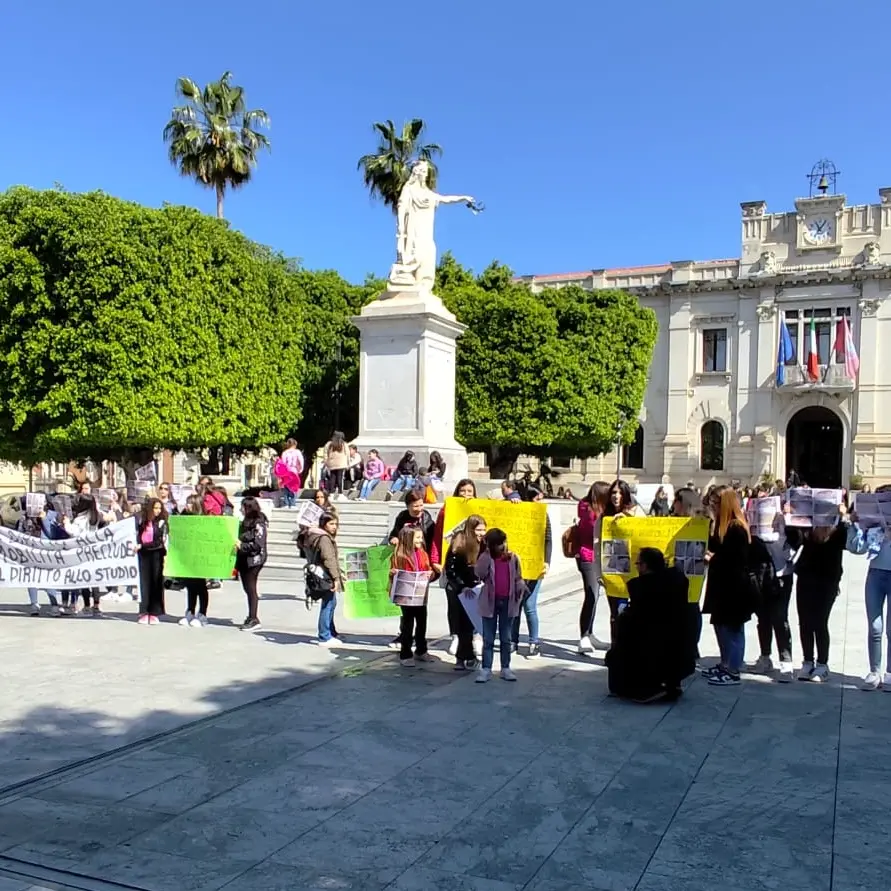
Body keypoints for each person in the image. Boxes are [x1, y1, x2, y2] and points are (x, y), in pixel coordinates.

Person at [605, 548, 692, 702]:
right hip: (678, 642)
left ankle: (642, 689)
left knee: (621, 643)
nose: (636, 567)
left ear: (645, 566)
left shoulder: (642, 586)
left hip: (653, 643)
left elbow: (638, 618)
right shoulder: (677, 579)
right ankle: (672, 683)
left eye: (638, 563)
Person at [701, 489, 755, 686]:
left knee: (732, 628)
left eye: (716, 503)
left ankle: (733, 669)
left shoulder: (736, 528)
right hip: (721, 585)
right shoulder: (721, 526)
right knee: (720, 625)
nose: (713, 506)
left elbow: (736, 560)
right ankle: (725, 663)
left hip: (734, 587)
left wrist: (713, 558)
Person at [794, 505, 849, 682]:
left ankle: (822, 664)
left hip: (827, 581)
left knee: (819, 621)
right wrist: (791, 517)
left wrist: (844, 518)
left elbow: (847, 542)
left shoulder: (838, 530)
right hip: (805, 577)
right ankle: (807, 661)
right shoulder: (808, 528)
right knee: (804, 622)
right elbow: (795, 540)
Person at [846, 490, 891, 690]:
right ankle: (875, 671)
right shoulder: (874, 527)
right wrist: (854, 524)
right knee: (875, 627)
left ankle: (889, 672)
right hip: (875, 575)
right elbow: (856, 548)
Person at [430, 478, 477, 656]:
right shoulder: (446, 510)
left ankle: (474, 636)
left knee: (474, 602)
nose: (466, 495)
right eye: (462, 491)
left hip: (472, 565)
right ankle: (455, 635)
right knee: (453, 602)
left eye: (469, 492)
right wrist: (436, 558)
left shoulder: (479, 510)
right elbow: (438, 535)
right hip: (451, 563)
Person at [752, 493, 796, 681]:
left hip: (781, 574)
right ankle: (765, 656)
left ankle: (786, 661)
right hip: (762, 573)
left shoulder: (789, 523)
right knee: (763, 617)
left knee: (780, 617)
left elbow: (797, 543)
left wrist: (787, 520)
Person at [474, 528, 526, 683]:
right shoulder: (486, 557)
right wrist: (485, 555)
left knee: (506, 637)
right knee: (488, 638)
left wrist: (520, 587)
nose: (502, 546)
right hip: (490, 601)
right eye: (498, 544)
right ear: (490, 545)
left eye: (503, 542)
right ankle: (486, 668)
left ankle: (505, 667)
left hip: (508, 602)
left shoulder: (513, 558)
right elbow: (479, 574)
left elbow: (518, 576)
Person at [601, 479, 647, 638]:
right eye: (613, 493)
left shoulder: (637, 512)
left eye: (620, 493)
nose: (616, 496)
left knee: (637, 613)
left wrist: (628, 518)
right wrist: (598, 573)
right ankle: (617, 649)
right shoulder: (605, 517)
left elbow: (646, 534)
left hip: (636, 571)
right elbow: (596, 544)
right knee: (617, 613)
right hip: (613, 571)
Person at [444, 515, 486, 671]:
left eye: (483, 529)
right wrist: (462, 587)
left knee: (470, 625)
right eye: (478, 530)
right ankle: (464, 658)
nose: (481, 533)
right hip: (460, 590)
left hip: (475, 588)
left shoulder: (482, 544)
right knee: (463, 625)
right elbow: (451, 569)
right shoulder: (460, 541)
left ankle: (465, 658)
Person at [510, 504, 551, 658]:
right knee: (515, 605)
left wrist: (547, 561)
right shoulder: (518, 510)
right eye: (535, 498)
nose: (539, 501)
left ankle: (534, 642)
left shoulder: (542, 514)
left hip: (534, 566)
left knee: (529, 605)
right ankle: (512, 640)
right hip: (517, 567)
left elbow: (548, 540)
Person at [391, 525, 434, 666]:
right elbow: (393, 573)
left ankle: (421, 650)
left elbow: (428, 569)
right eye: (417, 538)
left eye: (421, 538)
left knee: (422, 622)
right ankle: (405, 653)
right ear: (408, 539)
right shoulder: (399, 555)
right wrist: (393, 574)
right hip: (406, 597)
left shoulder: (422, 553)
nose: (420, 541)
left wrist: (430, 573)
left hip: (420, 595)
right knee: (407, 625)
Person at [576, 481, 610, 654]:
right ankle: (583, 636)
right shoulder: (589, 511)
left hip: (597, 557)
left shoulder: (591, 508)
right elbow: (595, 530)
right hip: (588, 556)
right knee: (591, 595)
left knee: (595, 596)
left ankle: (589, 633)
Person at [303, 512, 342, 645]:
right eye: (331, 524)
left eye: (336, 524)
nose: (334, 527)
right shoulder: (324, 538)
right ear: (324, 524)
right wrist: (336, 578)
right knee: (328, 604)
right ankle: (324, 635)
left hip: (319, 574)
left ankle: (331, 631)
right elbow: (328, 559)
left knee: (331, 602)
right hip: (325, 575)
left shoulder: (312, 535)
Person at [64, 494, 105, 615]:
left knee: (85, 579)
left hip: (82, 551)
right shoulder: (96, 516)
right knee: (95, 580)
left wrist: (66, 523)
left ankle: (87, 605)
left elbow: (74, 533)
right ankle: (96, 605)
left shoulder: (80, 519)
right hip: (94, 550)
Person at [236, 496, 268, 632]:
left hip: (254, 560)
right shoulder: (245, 521)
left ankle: (254, 618)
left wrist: (242, 546)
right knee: (247, 588)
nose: (241, 510)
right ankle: (251, 616)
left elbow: (258, 544)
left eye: (243, 507)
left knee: (251, 588)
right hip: (244, 559)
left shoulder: (258, 522)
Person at [178, 494, 209, 628]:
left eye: (190, 503)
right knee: (190, 585)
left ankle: (202, 613)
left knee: (200, 586)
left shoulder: (205, 519)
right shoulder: (185, 516)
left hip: (201, 556)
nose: (187, 505)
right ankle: (189, 611)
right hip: (188, 556)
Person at [136, 498, 168, 625]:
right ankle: (144, 611)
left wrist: (142, 546)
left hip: (156, 554)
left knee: (156, 583)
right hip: (143, 555)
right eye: (155, 508)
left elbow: (159, 541)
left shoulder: (162, 522)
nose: (158, 511)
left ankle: (154, 612)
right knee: (144, 583)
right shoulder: (142, 521)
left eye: (160, 508)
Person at [277, 438, 304, 508]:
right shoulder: (297, 452)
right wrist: (300, 469)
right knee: (294, 487)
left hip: (286, 472)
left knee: (286, 487)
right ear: (295, 445)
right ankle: (292, 503)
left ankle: (286, 503)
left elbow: (282, 463)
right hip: (294, 471)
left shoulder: (285, 453)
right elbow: (301, 461)